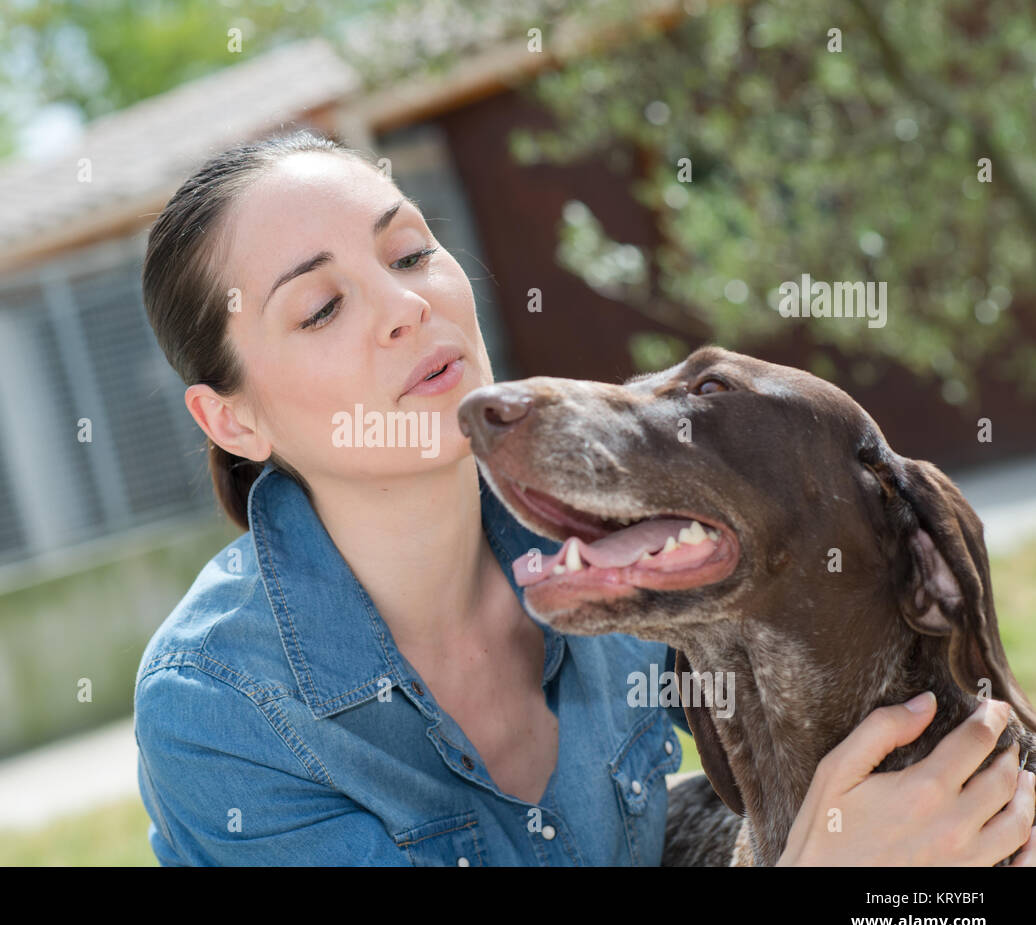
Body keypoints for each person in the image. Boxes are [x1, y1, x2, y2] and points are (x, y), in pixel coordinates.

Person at [133, 127, 1036, 866]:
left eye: (410, 251)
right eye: (321, 308)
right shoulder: (218, 710)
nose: (407, 305)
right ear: (232, 421)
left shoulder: (631, 568)